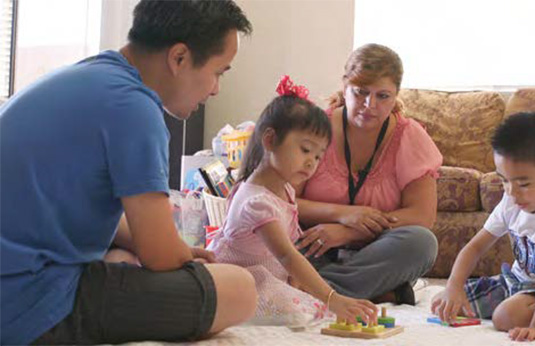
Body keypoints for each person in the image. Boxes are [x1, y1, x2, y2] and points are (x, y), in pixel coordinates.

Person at [0, 1, 256, 344]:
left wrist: (170, 247)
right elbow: (160, 255)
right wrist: (178, 252)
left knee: (123, 254)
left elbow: (131, 233)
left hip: (16, 276)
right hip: (25, 303)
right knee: (240, 288)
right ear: (179, 58)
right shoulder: (134, 108)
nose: (215, 89)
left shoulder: (91, 76)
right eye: (219, 71)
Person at [207, 76, 378, 327]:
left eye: (319, 156)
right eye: (305, 150)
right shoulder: (256, 202)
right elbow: (287, 255)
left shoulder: (285, 189)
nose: (312, 162)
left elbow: (290, 252)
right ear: (269, 140)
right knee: (302, 313)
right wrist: (332, 298)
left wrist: (298, 283)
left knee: (309, 303)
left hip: (271, 275)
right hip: (242, 280)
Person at [430, 112, 535, 342]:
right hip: (519, 282)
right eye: (504, 180)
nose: (511, 191)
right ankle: (518, 304)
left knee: (505, 317)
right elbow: (475, 247)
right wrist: (453, 286)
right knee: (444, 302)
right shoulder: (512, 200)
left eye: (524, 183)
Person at [296, 44, 442, 304]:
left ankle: (313, 291)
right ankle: (375, 291)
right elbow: (286, 201)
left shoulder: (409, 136)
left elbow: (422, 215)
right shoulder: (315, 127)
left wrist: (351, 231)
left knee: (422, 242)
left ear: (396, 95)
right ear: (345, 86)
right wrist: (342, 215)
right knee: (273, 241)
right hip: (316, 245)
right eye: (360, 92)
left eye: (382, 96)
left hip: (374, 251)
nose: (369, 105)